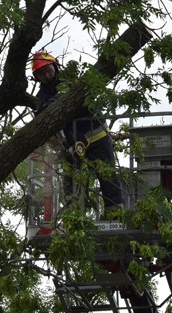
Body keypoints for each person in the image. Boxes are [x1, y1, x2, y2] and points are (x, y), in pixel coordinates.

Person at [30, 50, 124, 217]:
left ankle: (114, 212)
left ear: (56, 67)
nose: (47, 75)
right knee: (70, 180)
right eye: (41, 74)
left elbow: (65, 96)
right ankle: (73, 217)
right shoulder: (41, 96)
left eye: (48, 70)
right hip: (72, 143)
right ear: (37, 77)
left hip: (96, 135)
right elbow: (40, 116)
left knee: (106, 175)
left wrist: (51, 105)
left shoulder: (70, 79)